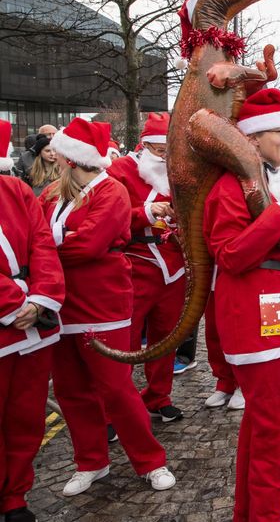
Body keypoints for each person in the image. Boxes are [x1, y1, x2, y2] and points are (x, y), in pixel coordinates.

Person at [41, 117, 174, 497]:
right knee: (71, 390)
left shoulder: (110, 190)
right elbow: (39, 236)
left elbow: (88, 245)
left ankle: (151, 461)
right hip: (60, 303)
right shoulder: (50, 193)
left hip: (102, 303)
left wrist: (46, 250)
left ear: (70, 158)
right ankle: (90, 461)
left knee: (116, 388)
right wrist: (57, 243)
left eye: (58, 154)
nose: (53, 159)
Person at [203, 89, 280, 522]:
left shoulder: (272, 180)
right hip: (255, 316)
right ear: (252, 138)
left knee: (263, 421)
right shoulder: (230, 186)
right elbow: (230, 254)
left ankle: (254, 510)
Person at [0, 121, 65, 522]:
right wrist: (12, 304)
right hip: (12, 316)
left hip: (32, 322)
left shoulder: (16, 190)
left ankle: (15, 495)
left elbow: (43, 243)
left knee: (26, 416)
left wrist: (41, 299)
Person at [107, 113, 187, 423]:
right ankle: (115, 409)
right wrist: (146, 211)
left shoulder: (179, 171)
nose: (166, 158)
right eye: (160, 151)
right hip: (135, 263)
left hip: (173, 265)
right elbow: (108, 217)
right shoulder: (119, 171)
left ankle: (158, 396)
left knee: (167, 336)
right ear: (145, 146)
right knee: (126, 340)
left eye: (170, 151)